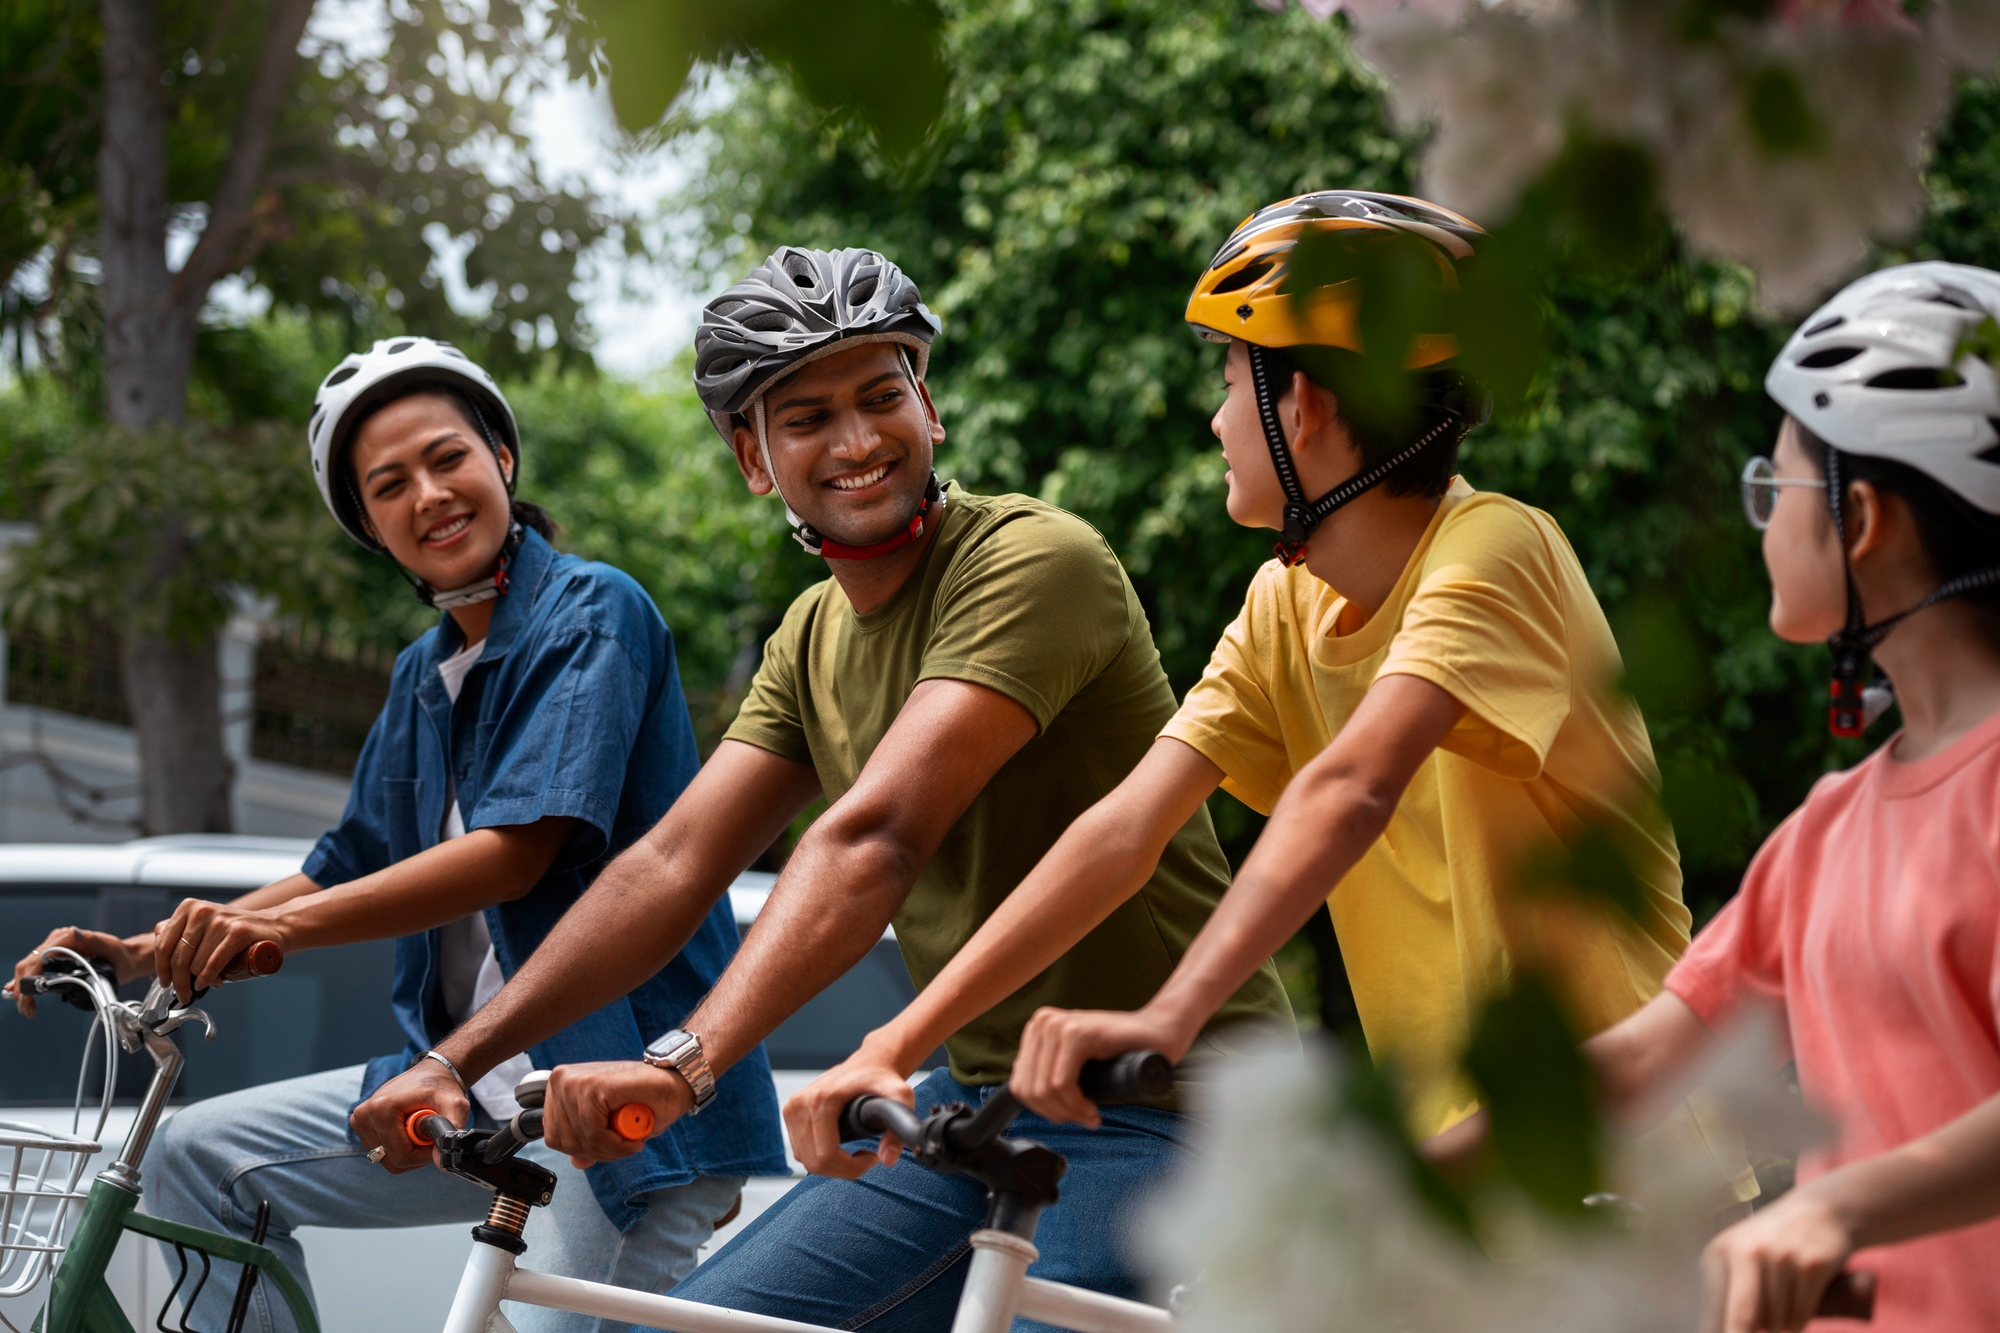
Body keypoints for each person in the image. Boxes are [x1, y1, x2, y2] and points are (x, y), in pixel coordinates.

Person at [349, 245, 1295, 1327]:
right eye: (806, 418)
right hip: (980, 1102)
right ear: (752, 457)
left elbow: (875, 836)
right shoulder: (810, 636)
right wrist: (453, 1056)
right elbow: (671, 863)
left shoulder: (1034, 559)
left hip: (1177, 1104)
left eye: (881, 396)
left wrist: (683, 1065)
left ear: (927, 405)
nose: (856, 442)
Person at [806, 191, 1692, 1153]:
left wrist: (1169, 1014)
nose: (1215, 421)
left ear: (1301, 407)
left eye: (1230, 382)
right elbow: (1124, 830)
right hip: (1462, 1163)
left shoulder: (1495, 550)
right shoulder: (1287, 600)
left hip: (1634, 1157)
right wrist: (894, 1041)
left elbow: (1350, 789)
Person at [7, 337, 787, 1333]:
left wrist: (274, 932)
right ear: (370, 526)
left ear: (501, 456)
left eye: (447, 457)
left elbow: (517, 854)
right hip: (466, 1091)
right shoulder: (422, 676)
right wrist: (144, 947)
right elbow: (342, 864)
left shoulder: (593, 612)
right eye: (389, 485)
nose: (429, 494)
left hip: (610, 1097)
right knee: (197, 1157)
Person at [1438, 262, 2000, 1333]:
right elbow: (1646, 1058)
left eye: (1773, 489)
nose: (1761, 520)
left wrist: (1833, 1207)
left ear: (1860, 518)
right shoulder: (1828, 831)